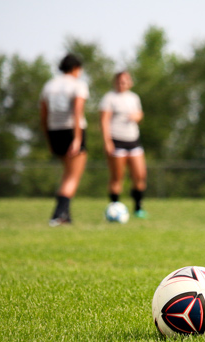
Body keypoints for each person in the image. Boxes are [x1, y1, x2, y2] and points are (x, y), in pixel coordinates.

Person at [40, 53, 89, 226]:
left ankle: (65, 215)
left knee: (66, 174)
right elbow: (77, 112)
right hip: (72, 130)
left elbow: (44, 115)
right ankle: (59, 214)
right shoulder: (78, 85)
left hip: (54, 131)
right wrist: (77, 138)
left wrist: (48, 138)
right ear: (76, 68)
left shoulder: (49, 86)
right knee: (72, 176)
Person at [99, 71, 147, 218]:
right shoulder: (109, 98)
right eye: (120, 81)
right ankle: (114, 208)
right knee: (117, 177)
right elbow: (104, 120)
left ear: (130, 82)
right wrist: (107, 142)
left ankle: (138, 208)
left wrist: (136, 116)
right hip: (116, 140)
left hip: (133, 140)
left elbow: (140, 114)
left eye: (125, 81)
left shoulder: (134, 97)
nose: (122, 84)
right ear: (115, 82)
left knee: (140, 175)